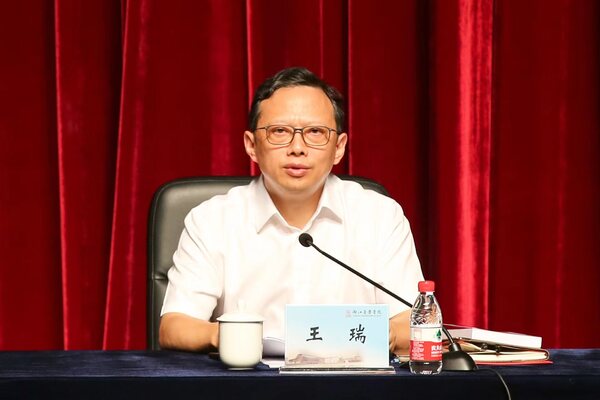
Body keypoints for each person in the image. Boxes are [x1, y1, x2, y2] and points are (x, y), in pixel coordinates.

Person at [159, 66, 424, 354]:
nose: (297, 147)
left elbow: (415, 322)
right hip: (249, 377)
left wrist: (372, 335)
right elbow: (175, 326)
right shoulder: (212, 220)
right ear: (251, 145)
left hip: (352, 377)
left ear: (339, 147)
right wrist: (231, 336)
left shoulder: (379, 216)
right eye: (279, 132)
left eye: (315, 132)